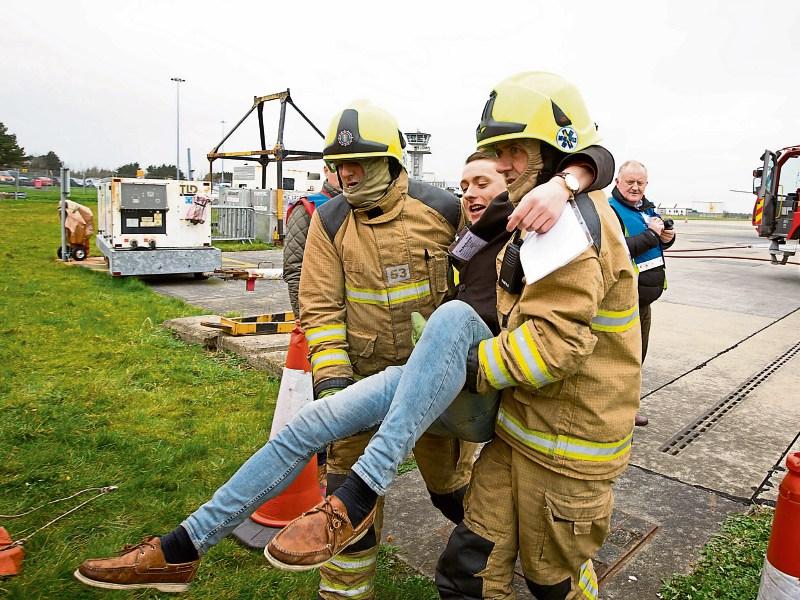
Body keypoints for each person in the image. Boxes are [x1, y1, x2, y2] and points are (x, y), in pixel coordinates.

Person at [72, 129, 603, 595]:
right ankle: (183, 546)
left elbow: (599, 159)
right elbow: (327, 304)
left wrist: (565, 181)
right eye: (463, 185)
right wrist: (336, 379)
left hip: (476, 383)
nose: (470, 193)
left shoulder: (540, 222)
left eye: (485, 182)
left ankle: (361, 495)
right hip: (420, 374)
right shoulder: (477, 231)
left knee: (453, 327)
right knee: (305, 427)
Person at [264, 73, 634, 600]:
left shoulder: (449, 212)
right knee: (399, 534)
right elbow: (320, 310)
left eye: (359, 164)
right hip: (378, 389)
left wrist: (456, 369)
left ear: (390, 162)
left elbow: (538, 327)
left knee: (483, 520)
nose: (346, 175)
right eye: (338, 166)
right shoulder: (330, 223)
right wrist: (333, 386)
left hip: (497, 418)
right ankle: (344, 591)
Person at [609, 160, 676, 427]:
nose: (635, 187)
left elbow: (655, 243)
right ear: (617, 182)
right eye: (630, 182)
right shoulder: (610, 211)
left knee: (638, 356)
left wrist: (667, 238)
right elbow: (616, 250)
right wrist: (652, 234)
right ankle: (614, 411)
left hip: (644, 299)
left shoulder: (647, 208)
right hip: (621, 299)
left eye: (640, 183)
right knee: (619, 359)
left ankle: (629, 406)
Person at [283, 164, 341, 318]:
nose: (344, 172)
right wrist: (304, 318)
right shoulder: (307, 208)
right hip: (323, 313)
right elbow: (295, 268)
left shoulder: (362, 206)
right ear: (326, 170)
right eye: (337, 167)